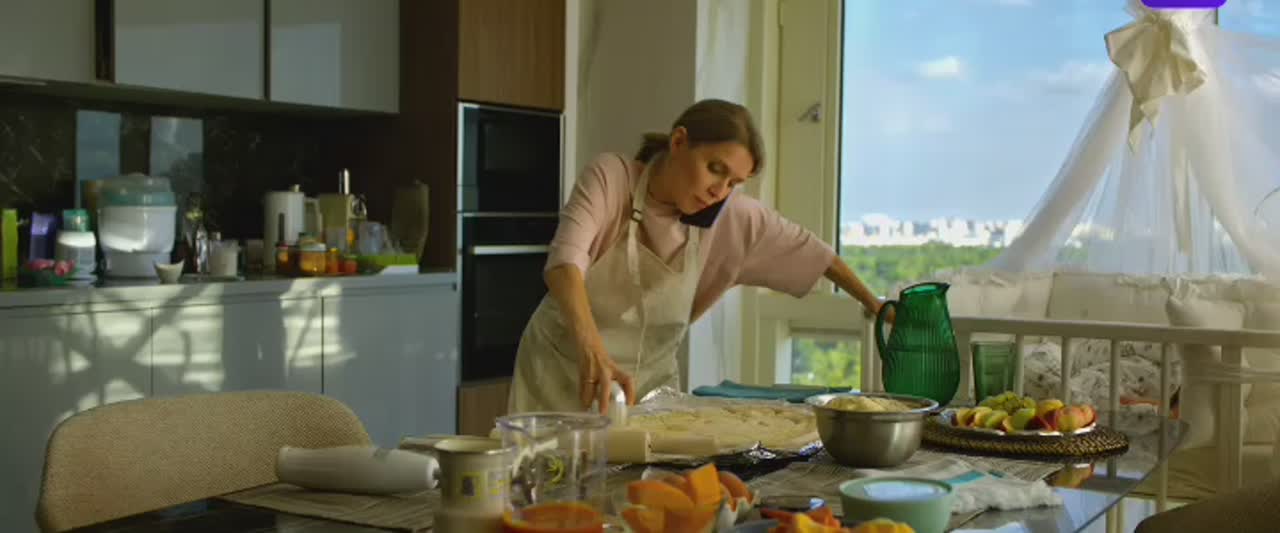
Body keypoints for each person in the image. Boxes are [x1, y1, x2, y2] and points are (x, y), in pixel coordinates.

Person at [507, 99, 882, 415]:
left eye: (733, 183)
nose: (720, 191)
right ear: (679, 141)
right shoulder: (612, 177)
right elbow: (564, 264)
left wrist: (876, 306)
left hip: (648, 394)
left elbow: (816, 255)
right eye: (715, 169)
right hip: (559, 377)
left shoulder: (731, 218)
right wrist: (592, 349)